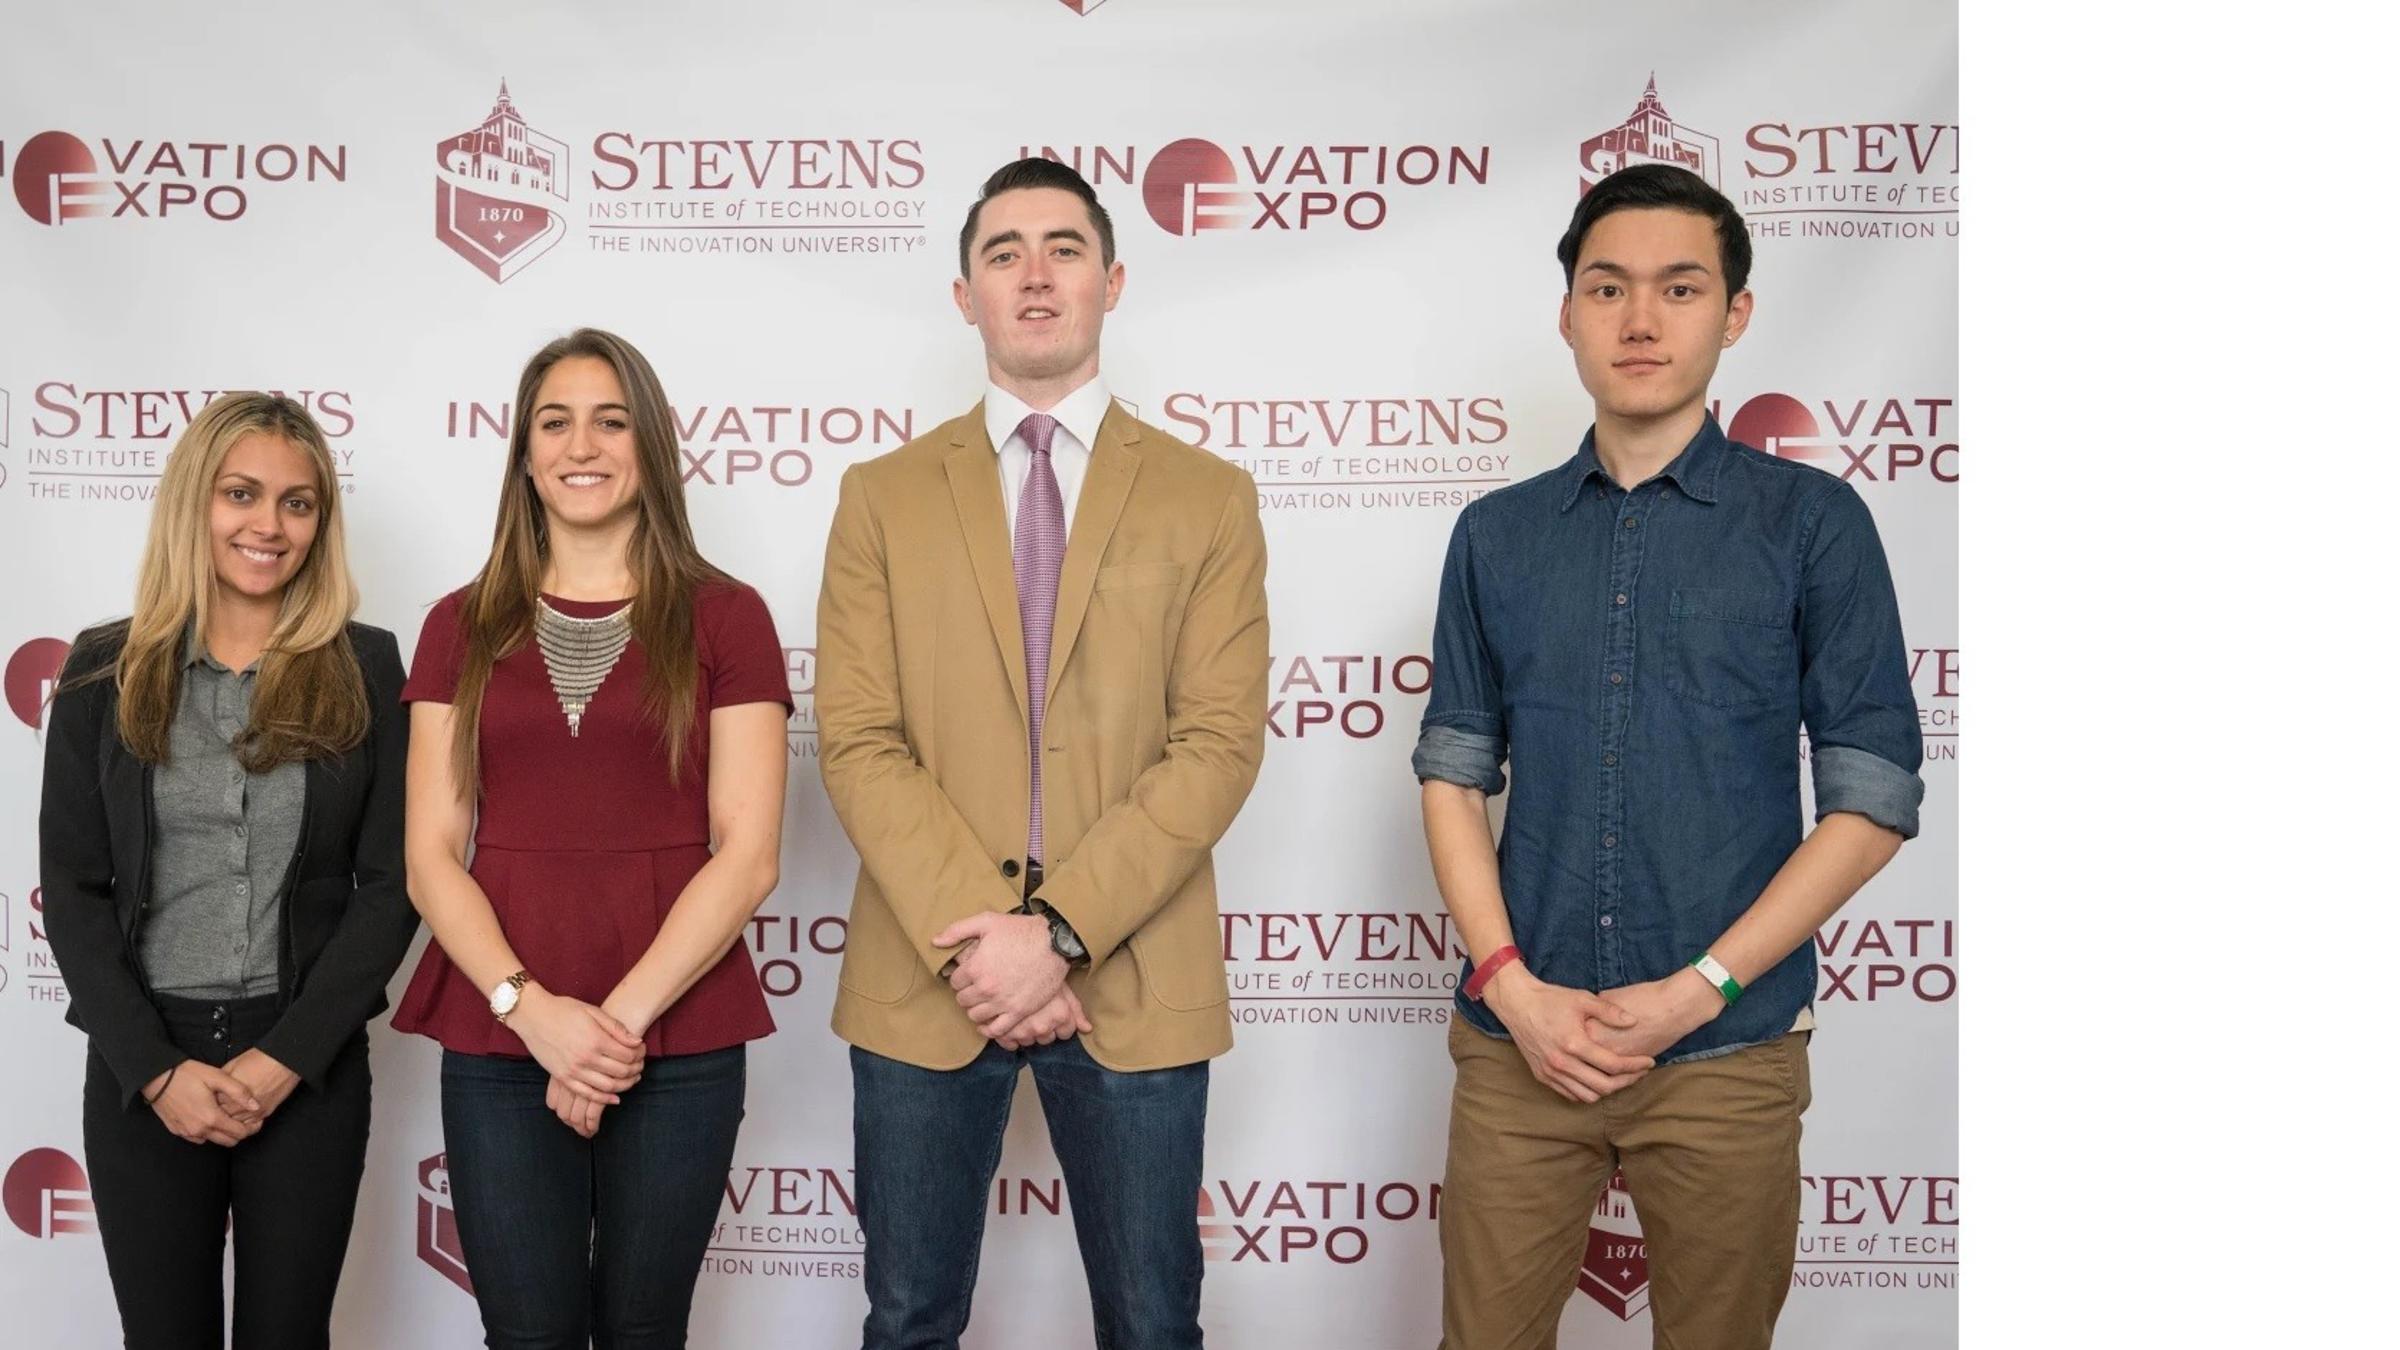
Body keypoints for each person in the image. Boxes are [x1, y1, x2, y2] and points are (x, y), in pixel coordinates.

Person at [1413, 162, 1925, 1350]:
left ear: (1735, 313)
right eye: (1609, 288)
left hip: (1726, 1054)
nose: (1641, 319)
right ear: (1568, 313)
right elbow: (1452, 774)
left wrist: (1700, 990)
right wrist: (1513, 989)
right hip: (1520, 1048)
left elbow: (1872, 799)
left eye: (1680, 287)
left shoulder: (1814, 525)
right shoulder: (1495, 536)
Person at [816, 156, 1270, 1349]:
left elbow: (1218, 743)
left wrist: (1058, 931)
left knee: (1152, 1323)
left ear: (1112, 281)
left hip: (1132, 966)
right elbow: (859, 741)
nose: (1034, 275)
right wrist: (993, 939)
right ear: (963, 293)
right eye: (1003, 252)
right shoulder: (879, 497)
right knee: (908, 1319)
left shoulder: (1208, 498)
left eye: (1064, 248)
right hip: (933, 972)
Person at [394, 328, 791, 1348]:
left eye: (612, 420)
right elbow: (432, 852)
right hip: (498, 1036)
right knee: (525, 1336)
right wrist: (533, 1015)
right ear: (524, 454)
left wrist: (603, 1034)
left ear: (651, 443)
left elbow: (747, 855)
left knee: (645, 1332)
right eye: (555, 421)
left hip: (680, 1034)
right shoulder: (458, 623)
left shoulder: (728, 618)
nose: (583, 444)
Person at [41, 392, 416, 1349]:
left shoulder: (366, 667)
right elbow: (76, 890)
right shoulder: (100, 670)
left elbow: (392, 884)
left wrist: (287, 1056)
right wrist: (158, 1073)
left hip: (306, 1065)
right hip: (145, 1064)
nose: (269, 525)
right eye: (241, 493)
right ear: (192, 505)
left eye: (298, 503)